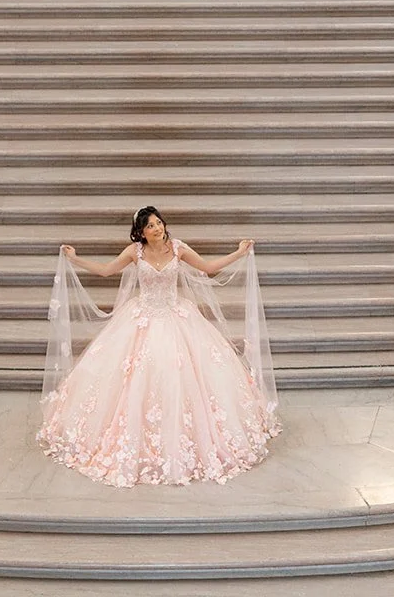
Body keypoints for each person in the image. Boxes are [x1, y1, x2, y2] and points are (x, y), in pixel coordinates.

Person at [37, 204, 280, 488]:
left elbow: (209, 268)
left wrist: (239, 253)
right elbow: (105, 271)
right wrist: (75, 259)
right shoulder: (135, 253)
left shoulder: (178, 248)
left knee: (187, 378)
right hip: (141, 320)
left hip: (177, 319)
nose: (158, 228)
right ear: (140, 233)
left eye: (159, 223)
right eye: (151, 226)